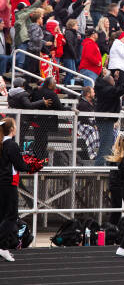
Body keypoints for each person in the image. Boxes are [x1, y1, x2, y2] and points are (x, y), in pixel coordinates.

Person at [0, 118, 31, 262]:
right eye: (15, 126)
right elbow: (20, 165)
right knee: (11, 215)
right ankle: (2, 246)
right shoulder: (11, 145)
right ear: (12, 129)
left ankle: (4, 247)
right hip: (8, 183)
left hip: (3, 183)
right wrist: (33, 165)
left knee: (2, 215)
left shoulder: (2, 143)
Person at [94, 69, 124, 166]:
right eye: (113, 80)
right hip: (105, 120)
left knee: (108, 141)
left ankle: (103, 164)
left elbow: (117, 88)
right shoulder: (106, 90)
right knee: (106, 143)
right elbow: (120, 90)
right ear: (108, 82)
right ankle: (99, 166)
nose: (114, 82)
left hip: (106, 120)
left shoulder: (104, 88)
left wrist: (118, 77)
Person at [30, 77, 67, 159]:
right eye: (54, 83)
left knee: (38, 141)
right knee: (42, 142)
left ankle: (37, 160)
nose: (56, 85)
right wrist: (70, 109)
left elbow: (31, 99)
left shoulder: (36, 91)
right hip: (45, 122)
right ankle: (40, 161)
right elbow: (60, 107)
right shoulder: (52, 94)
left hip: (36, 120)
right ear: (50, 85)